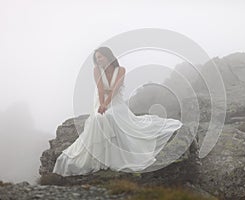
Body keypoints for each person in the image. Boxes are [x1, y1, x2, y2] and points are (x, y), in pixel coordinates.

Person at [52, 46, 183, 176]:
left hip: (116, 102)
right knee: (98, 119)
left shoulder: (120, 70)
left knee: (111, 117)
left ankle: (116, 155)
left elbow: (115, 89)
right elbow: (100, 89)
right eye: (96, 58)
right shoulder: (97, 70)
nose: (98, 60)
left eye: (100, 57)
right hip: (100, 100)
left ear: (108, 56)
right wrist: (102, 104)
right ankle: (100, 155)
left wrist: (107, 104)